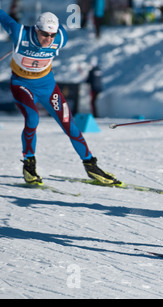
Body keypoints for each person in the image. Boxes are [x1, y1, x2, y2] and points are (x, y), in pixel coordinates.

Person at [0, 10, 121, 186]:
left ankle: (90, 165)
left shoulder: (61, 37)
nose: (48, 39)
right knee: (32, 119)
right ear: (36, 30)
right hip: (22, 85)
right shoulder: (19, 33)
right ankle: (29, 164)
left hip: (47, 86)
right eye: (44, 34)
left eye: (52, 35)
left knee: (69, 124)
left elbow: (62, 30)